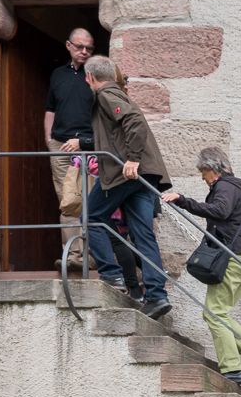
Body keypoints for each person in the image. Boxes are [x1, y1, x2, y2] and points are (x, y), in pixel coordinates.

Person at [72, 54, 172, 318]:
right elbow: (112, 136)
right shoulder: (119, 93)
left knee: (91, 217)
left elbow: (134, 123)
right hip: (143, 175)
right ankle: (157, 296)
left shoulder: (105, 95)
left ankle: (112, 275)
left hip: (123, 173)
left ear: (90, 77)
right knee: (143, 234)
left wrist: (131, 160)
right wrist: (83, 144)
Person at [162, 147, 241, 382]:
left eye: (204, 172)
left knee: (214, 313)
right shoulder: (234, 188)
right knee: (219, 313)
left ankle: (233, 367)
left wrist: (183, 200)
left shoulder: (225, 187)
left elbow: (220, 211)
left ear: (214, 169)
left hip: (233, 258)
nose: (202, 178)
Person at [44, 28, 95, 199]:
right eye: (79, 47)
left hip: (89, 145)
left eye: (89, 48)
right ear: (68, 45)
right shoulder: (58, 74)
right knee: (67, 202)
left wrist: (88, 142)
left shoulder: (96, 74)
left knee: (91, 199)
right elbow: (50, 109)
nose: (84, 52)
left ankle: (91, 228)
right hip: (60, 145)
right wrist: (49, 140)